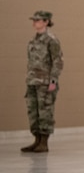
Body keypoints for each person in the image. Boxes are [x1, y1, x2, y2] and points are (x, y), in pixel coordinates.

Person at [22, 10, 63, 154]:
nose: (34, 23)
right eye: (34, 20)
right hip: (33, 82)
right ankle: (37, 140)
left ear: (46, 22)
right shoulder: (33, 41)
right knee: (33, 112)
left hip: (45, 83)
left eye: (38, 20)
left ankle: (44, 143)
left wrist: (53, 81)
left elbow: (57, 62)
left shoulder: (51, 40)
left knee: (45, 112)